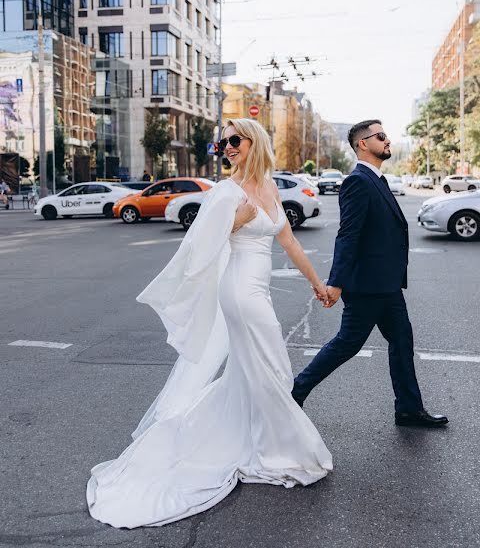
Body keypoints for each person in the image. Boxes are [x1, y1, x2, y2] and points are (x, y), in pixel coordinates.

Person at [87, 119, 332, 529]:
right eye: (224, 144)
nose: (228, 148)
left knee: (255, 370)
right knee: (270, 367)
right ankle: (279, 451)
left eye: (234, 140)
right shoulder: (225, 191)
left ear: (254, 141)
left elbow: (288, 241)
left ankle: (261, 441)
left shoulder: (270, 187)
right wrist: (235, 221)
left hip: (259, 292)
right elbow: (198, 247)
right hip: (239, 292)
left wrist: (317, 283)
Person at [292, 120, 448, 428]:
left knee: (402, 340)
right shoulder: (358, 181)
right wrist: (335, 282)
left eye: (386, 135)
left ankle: (408, 408)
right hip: (367, 285)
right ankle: (294, 393)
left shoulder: (376, 178)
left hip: (386, 284)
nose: (387, 140)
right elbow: (348, 234)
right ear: (363, 144)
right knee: (347, 344)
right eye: (380, 136)